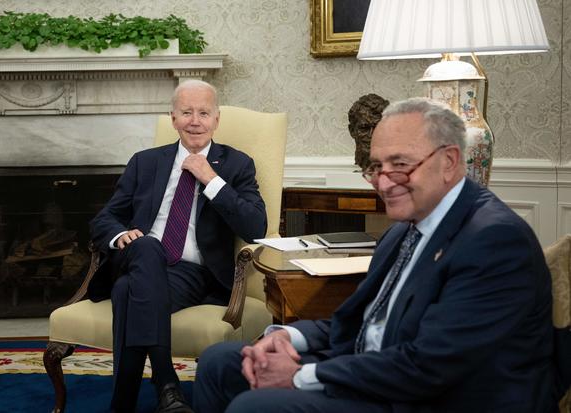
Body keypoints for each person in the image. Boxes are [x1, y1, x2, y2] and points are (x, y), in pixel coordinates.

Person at [193, 97, 559, 413]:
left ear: (449, 162)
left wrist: (301, 376)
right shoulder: (405, 228)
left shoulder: (494, 240)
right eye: (375, 167)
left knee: (255, 407)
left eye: (400, 165)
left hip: (432, 397)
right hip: (380, 371)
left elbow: (430, 366)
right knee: (221, 362)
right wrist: (288, 338)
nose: (383, 182)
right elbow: (364, 322)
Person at [88, 79, 267, 413]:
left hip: (193, 273)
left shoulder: (236, 164)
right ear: (173, 118)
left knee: (128, 291)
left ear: (216, 119)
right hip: (138, 255)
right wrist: (119, 236)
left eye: (203, 113)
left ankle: (123, 402)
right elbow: (106, 218)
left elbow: (256, 228)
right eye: (186, 112)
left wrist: (211, 181)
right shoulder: (145, 161)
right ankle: (167, 384)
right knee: (146, 247)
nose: (194, 120)